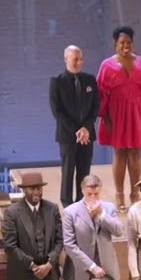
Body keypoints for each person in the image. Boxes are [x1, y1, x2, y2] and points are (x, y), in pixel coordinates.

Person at [97, 25, 141, 206]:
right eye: (122, 42)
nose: (126, 46)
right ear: (115, 44)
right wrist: (105, 117)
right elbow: (101, 94)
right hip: (116, 113)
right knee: (119, 153)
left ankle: (134, 193)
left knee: (136, 154)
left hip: (137, 112)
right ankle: (119, 194)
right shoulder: (106, 65)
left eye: (129, 42)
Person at [62, 174, 126, 280]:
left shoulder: (108, 208)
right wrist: (91, 266)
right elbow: (69, 245)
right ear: (83, 190)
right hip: (83, 269)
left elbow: (119, 231)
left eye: (96, 194)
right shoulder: (70, 212)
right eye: (89, 193)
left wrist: (101, 215)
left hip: (106, 267)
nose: (93, 197)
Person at [2, 170, 63, 280]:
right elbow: (10, 246)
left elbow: (59, 240)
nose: (37, 192)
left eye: (39, 188)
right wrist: (33, 267)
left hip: (48, 274)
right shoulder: (12, 213)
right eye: (32, 188)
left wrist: (49, 264)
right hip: (25, 275)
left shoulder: (52, 209)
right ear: (24, 190)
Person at [49, 44, 100, 207]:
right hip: (67, 134)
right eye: (75, 59)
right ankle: (67, 203)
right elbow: (58, 111)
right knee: (68, 170)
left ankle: (82, 201)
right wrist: (77, 130)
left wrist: (86, 128)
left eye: (81, 59)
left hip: (87, 134)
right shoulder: (57, 82)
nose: (78, 62)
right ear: (66, 60)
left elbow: (95, 107)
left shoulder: (90, 80)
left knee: (84, 170)